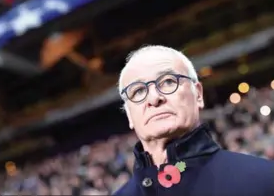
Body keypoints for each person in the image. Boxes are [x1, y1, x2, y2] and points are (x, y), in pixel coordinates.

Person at [114, 45, 274, 196]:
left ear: (198, 94)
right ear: (129, 114)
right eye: (138, 91)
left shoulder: (265, 180)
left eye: (168, 82)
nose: (154, 98)